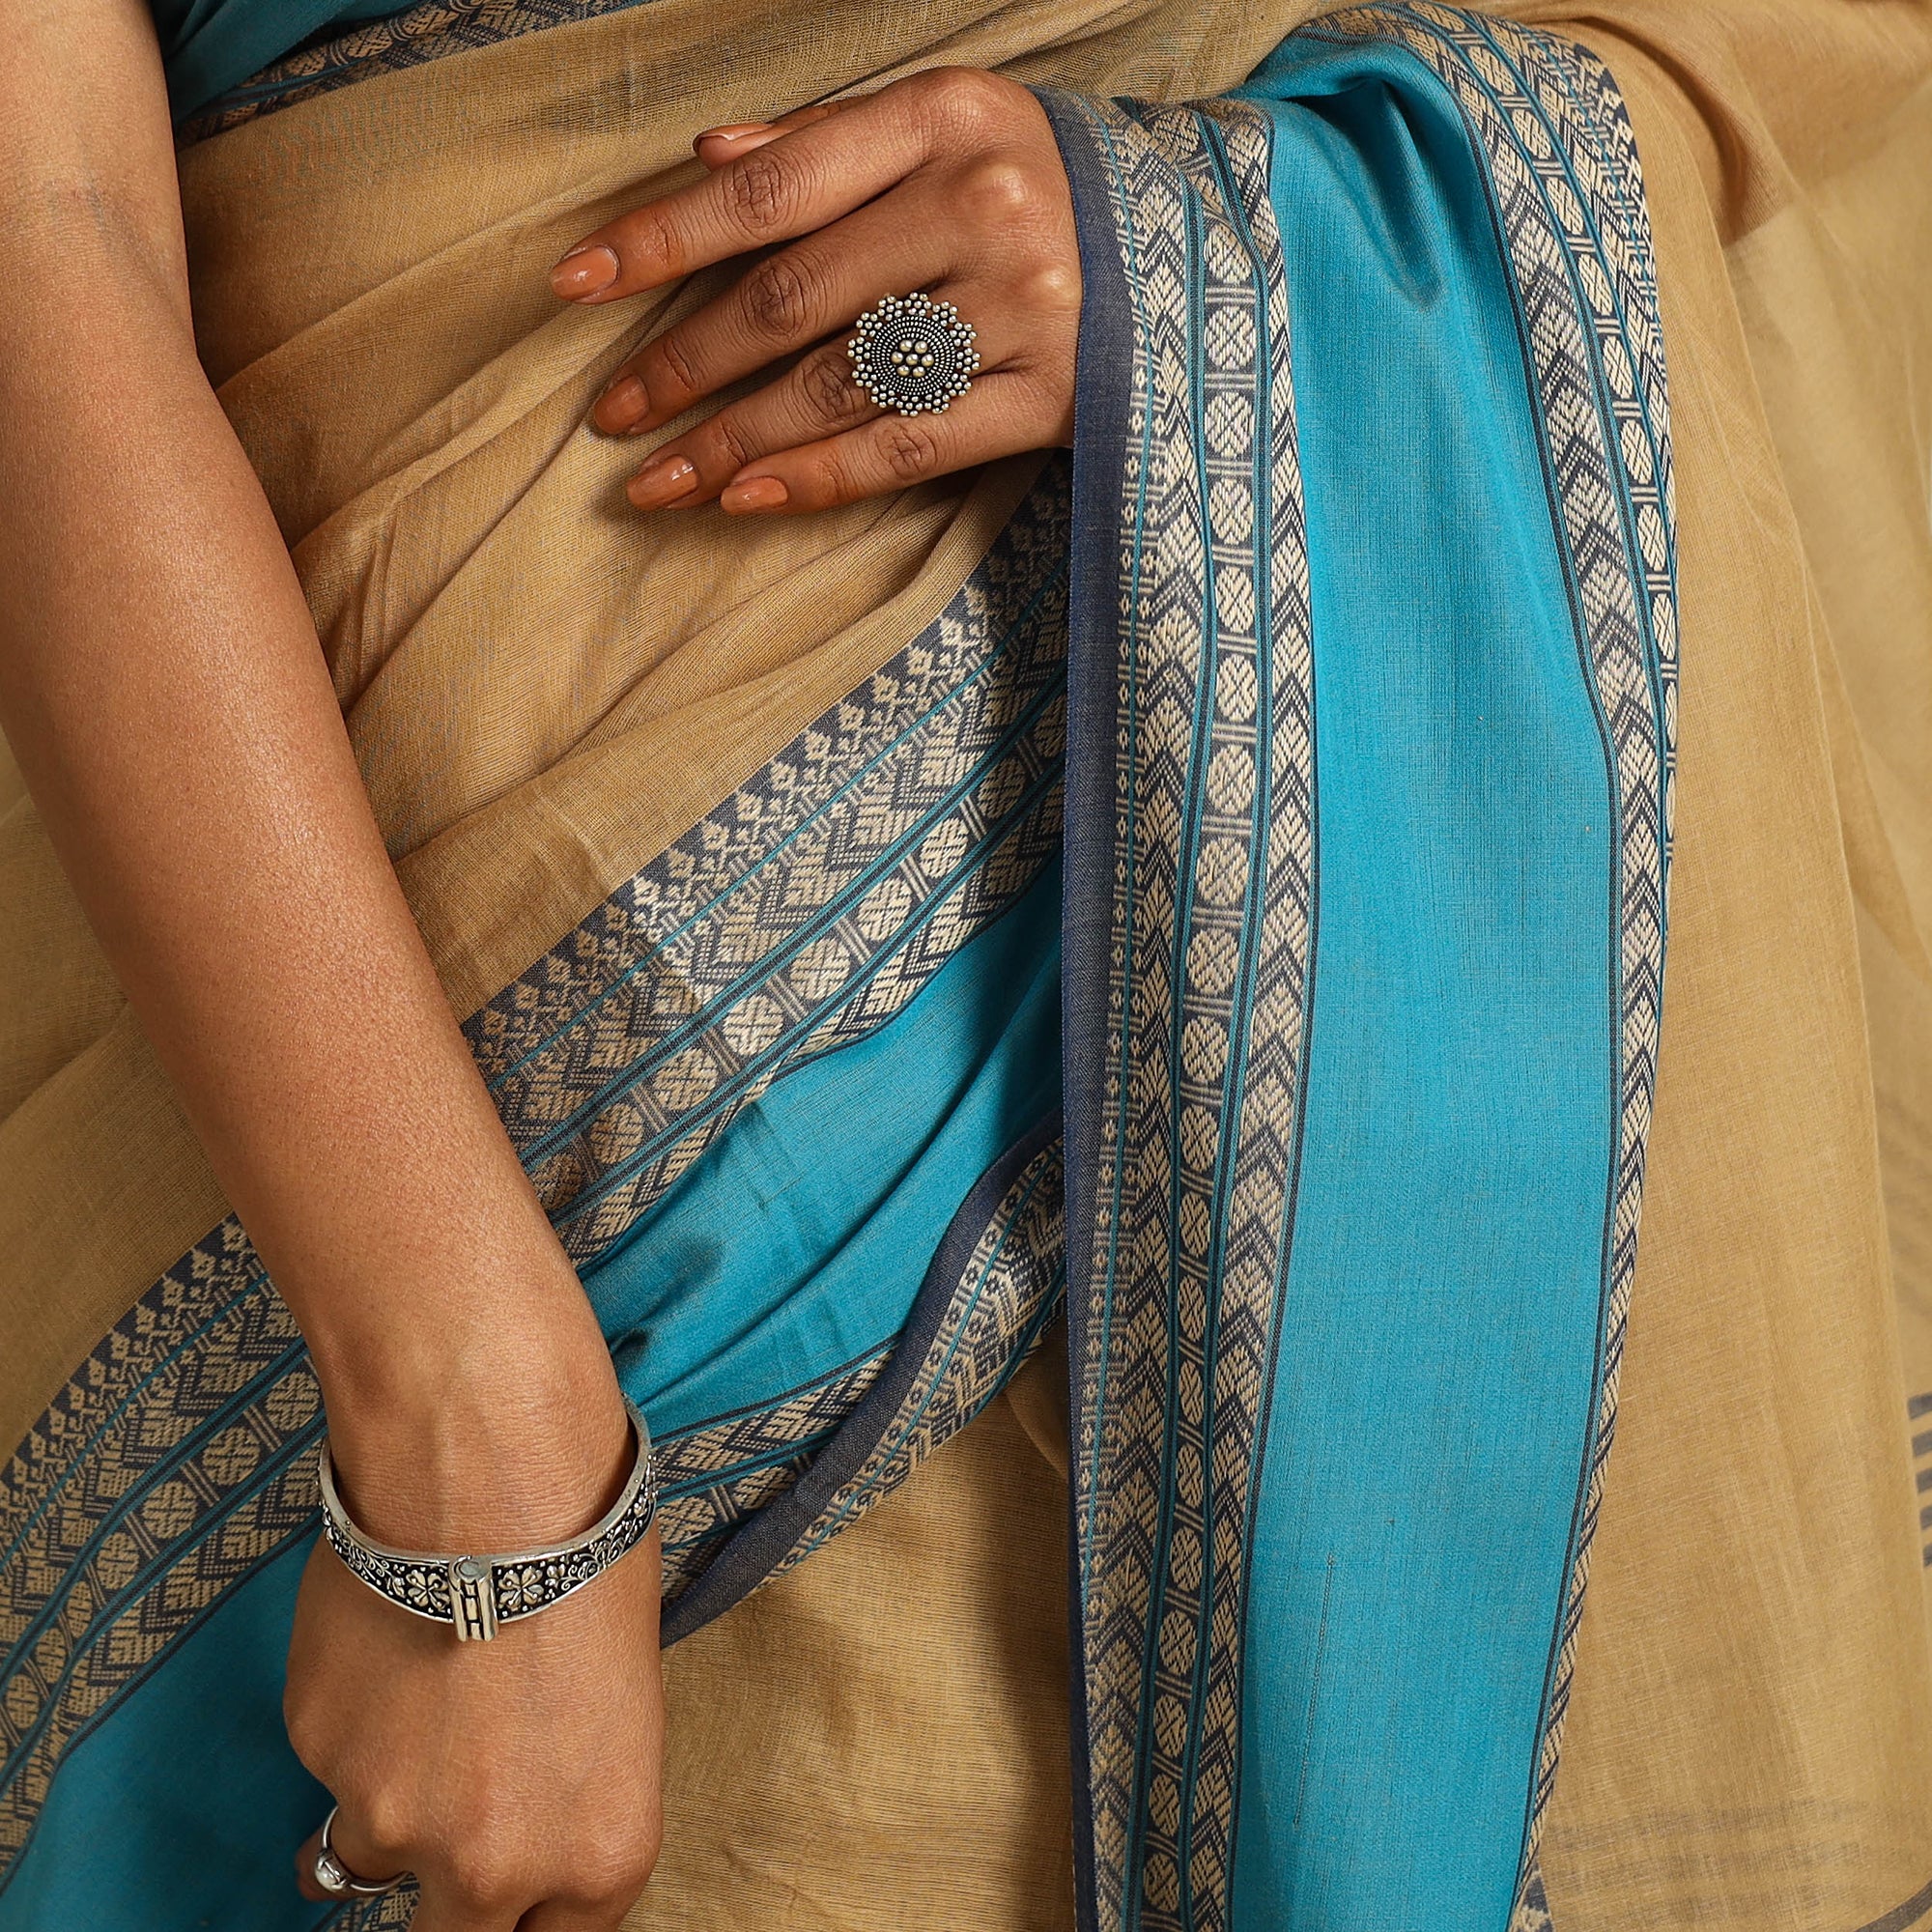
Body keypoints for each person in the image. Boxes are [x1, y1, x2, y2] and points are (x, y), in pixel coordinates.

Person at [0, 0, 1926, 1927]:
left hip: (1478, 937)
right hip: (436, 1106)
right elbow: (46, 229)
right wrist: (468, 1427)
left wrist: (1220, 247)